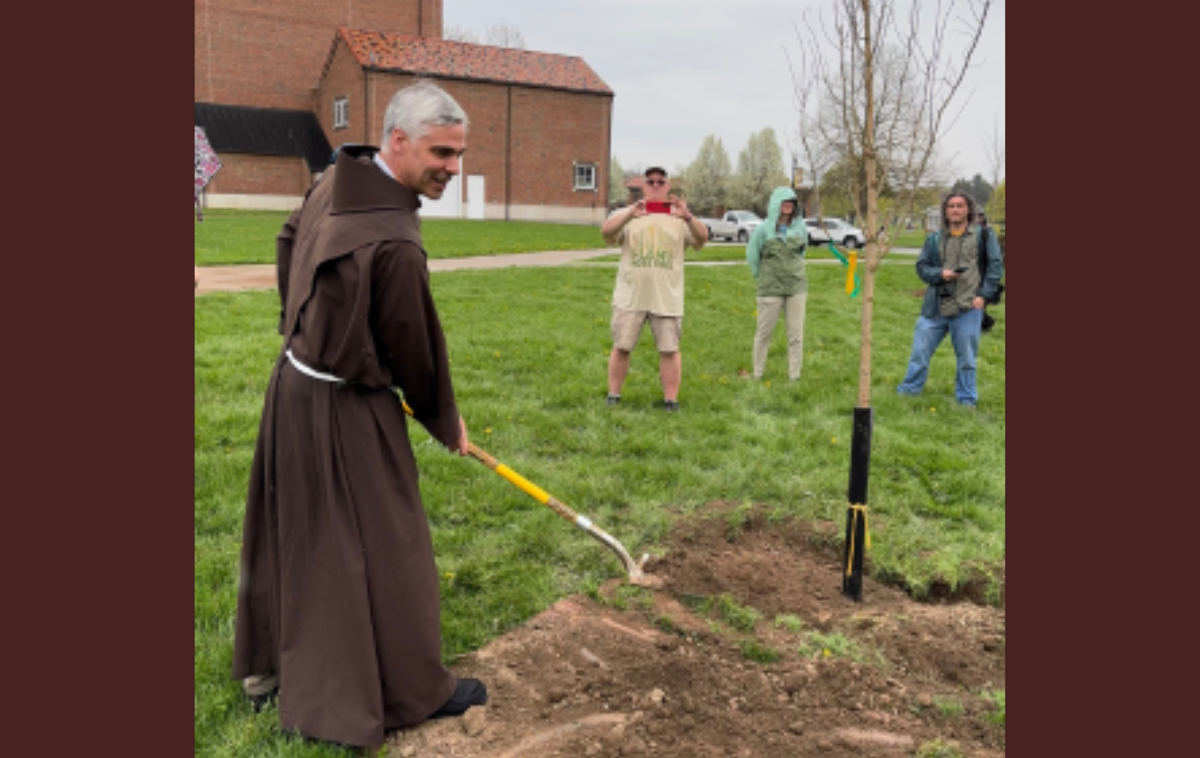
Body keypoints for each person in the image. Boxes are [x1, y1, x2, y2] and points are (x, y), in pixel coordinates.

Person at [231, 80, 486, 753]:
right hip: (344, 406)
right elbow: (417, 356)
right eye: (441, 152)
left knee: (295, 532)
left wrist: (306, 330)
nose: (452, 169)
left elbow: (288, 244)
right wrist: (443, 422)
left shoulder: (331, 183)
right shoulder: (395, 239)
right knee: (387, 542)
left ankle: (269, 673)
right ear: (396, 141)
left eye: (459, 154)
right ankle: (410, 690)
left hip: (292, 386)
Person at [600, 167, 708, 411]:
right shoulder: (630, 213)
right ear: (644, 186)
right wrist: (630, 213)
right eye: (651, 182)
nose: (656, 185)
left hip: (666, 297)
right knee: (622, 346)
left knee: (669, 349)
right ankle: (613, 395)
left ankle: (671, 400)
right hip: (631, 296)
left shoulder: (679, 215)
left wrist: (688, 217)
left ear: (668, 185)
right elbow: (606, 232)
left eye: (661, 181)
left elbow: (702, 238)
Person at [896, 192, 1003, 408]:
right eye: (951, 206)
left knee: (966, 360)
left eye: (960, 206)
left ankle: (966, 400)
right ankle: (908, 391)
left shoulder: (983, 235)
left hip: (968, 308)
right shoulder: (934, 238)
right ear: (946, 211)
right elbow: (922, 267)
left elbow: (995, 268)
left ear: (968, 210)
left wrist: (983, 296)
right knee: (919, 353)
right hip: (936, 308)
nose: (955, 209)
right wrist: (940, 274)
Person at [745, 186, 809, 381]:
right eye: (784, 201)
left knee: (795, 336)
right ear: (775, 204)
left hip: (796, 288)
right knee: (764, 333)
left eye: (792, 202)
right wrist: (763, 276)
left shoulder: (800, 227)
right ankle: (757, 374)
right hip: (770, 289)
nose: (788, 205)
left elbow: (802, 252)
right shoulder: (763, 229)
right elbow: (752, 256)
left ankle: (794, 376)